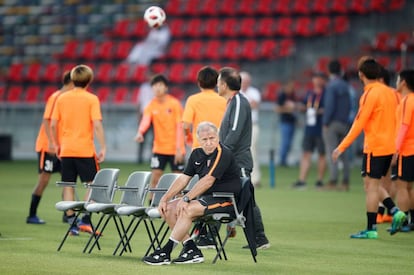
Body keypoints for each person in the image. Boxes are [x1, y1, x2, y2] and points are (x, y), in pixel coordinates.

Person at [142, 122, 242, 265]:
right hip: (206, 199)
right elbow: (183, 178)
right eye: (204, 140)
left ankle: (166, 251)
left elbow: (208, 181)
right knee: (169, 208)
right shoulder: (196, 154)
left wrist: (187, 197)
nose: (209, 143)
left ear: (218, 138)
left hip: (227, 200)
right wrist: (165, 198)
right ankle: (191, 249)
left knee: (187, 208)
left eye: (212, 138)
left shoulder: (222, 153)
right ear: (198, 140)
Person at [332, 58, 406, 239]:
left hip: (375, 146)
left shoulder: (369, 94)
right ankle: (394, 210)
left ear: (361, 74)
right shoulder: (394, 93)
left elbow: (359, 123)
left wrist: (341, 147)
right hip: (391, 147)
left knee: (372, 187)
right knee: (372, 184)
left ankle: (371, 228)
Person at [51, 64, 107, 236]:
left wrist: (56, 144)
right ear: (89, 80)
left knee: (68, 184)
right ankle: (85, 219)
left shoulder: (61, 98)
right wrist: (103, 146)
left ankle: (71, 223)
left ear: (73, 79)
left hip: (67, 149)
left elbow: (53, 124)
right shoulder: (91, 99)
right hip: (84, 149)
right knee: (92, 184)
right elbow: (97, 125)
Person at [217, 67, 270, 249]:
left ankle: (259, 237)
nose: (217, 85)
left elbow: (234, 132)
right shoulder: (233, 102)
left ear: (224, 84)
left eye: (219, 81)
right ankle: (257, 237)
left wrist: (222, 153)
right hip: (234, 159)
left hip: (238, 161)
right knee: (241, 198)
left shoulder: (239, 101)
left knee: (247, 199)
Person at [26, 71, 73, 224]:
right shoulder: (56, 97)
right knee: (44, 180)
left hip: (61, 148)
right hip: (48, 147)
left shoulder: (68, 99)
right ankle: (31, 215)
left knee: (67, 180)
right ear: (71, 82)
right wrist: (52, 143)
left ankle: (68, 214)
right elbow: (47, 120)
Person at [135, 74, 185, 201]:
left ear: (166, 88)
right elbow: (145, 120)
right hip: (159, 148)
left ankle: (179, 203)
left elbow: (180, 126)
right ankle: (152, 202)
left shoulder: (174, 104)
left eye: (160, 85)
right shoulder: (151, 105)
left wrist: (180, 148)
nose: (157, 88)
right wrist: (140, 132)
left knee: (179, 179)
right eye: (155, 86)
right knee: (155, 177)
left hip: (175, 149)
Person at [292, 72, 327, 189]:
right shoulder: (309, 93)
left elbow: (329, 108)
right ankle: (302, 180)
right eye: (315, 78)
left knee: (322, 154)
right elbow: (303, 105)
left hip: (322, 128)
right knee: (306, 153)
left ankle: (320, 180)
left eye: (319, 78)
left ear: (323, 80)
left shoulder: (326, 93)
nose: (316, 81)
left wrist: (318, 111)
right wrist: (302, 108)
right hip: (309, 128)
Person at [323, 59, 352, 191]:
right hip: (345, 122)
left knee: (332, 151)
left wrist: (325, 122)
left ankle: (333, 180)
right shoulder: (346, 86)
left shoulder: (331, 85)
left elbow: (329, 105)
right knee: (344, 153)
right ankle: (345, 181)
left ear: (329, 70)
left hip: (333, 123)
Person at [182, 66, 226, 149]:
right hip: (219, 145)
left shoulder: (193, 100)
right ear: (217, 83)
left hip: (199, 145)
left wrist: (188, 137)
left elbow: (185, 125)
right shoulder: (224, 100)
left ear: (199, 82)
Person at [393, 69, 414, 231]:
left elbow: (404, 126)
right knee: (410, 187)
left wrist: (396, 149)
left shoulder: (407, 100)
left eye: (398, 79)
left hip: (407, 149)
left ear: (404, 82)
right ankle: (412, 220)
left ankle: (403, 221)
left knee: (402, 186)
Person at [240, 71, 262, 188]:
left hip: (252, 125)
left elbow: (254, 105)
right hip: (239, 126)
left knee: (253, 151)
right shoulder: (237, 92)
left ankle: (255, 179)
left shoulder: (254, 92)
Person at [275, 80, 297, 167]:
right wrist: (289, 109)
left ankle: (285, 159)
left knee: (289, 142)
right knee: (285, 142)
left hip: (292, 122)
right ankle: (282, 160)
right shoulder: (282, 96)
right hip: (285, 122)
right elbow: (277, 109)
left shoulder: (292, 96)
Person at [136, 78, 154, 164]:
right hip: (144, 115)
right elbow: (139, 101)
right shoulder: (144, 87)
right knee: (142, 137)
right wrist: (139, 115)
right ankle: (140, 157)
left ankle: (153, 157)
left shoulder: (155, 87)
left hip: (155, 116)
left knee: (154, 139)